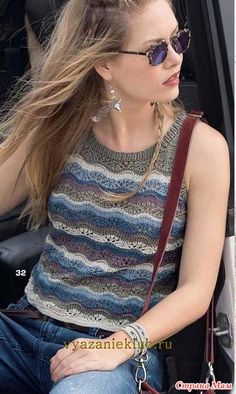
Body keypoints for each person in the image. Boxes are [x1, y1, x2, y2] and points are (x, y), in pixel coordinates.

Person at [0, 0, 230, 393]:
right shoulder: (66, 128)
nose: (175, 58)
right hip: (24, 329)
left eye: (179, 39)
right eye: (156, 50)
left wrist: (119, 345)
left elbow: (197, 288)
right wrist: (42, 114)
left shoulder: (200, 148)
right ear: (104, 64)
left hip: (116, 354)